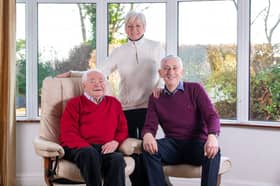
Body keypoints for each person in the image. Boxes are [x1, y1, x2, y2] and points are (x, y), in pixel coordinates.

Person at [57, 10, 165, 186]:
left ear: (144, 27)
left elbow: (165, 70)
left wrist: (160, 87)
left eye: (138, 25)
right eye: (130, 26)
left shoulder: (155, 46)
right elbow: (100, 72)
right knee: (130, 151)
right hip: (127, 106)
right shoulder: (120, 51)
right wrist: (73, 73)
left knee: (147, 148)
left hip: (149, 106)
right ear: (125, 28)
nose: (134, 29)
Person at [141, 55, 221, 186]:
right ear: (160, 73)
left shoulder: (195, 89)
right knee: (147, 148)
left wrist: (212, 136)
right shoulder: (156, 97)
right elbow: (149, 125)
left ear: (181, 72)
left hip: (196, 144)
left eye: (174, 68)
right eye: (166, 69)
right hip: (172, 145)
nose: (170, 72)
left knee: (213, 151)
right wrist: (148, 135)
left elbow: (212, 115)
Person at [59, 69, 128, 186]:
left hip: (104, 148)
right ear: (84, 85)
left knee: (117, 159)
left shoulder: (114, 103)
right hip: (79, 148)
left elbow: (123, 129)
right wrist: (90, 148)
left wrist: (116, 142)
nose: (98, 84)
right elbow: (68, 133)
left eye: (101, 81)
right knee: (89, 153)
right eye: (92, 81)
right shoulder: (74, 104)